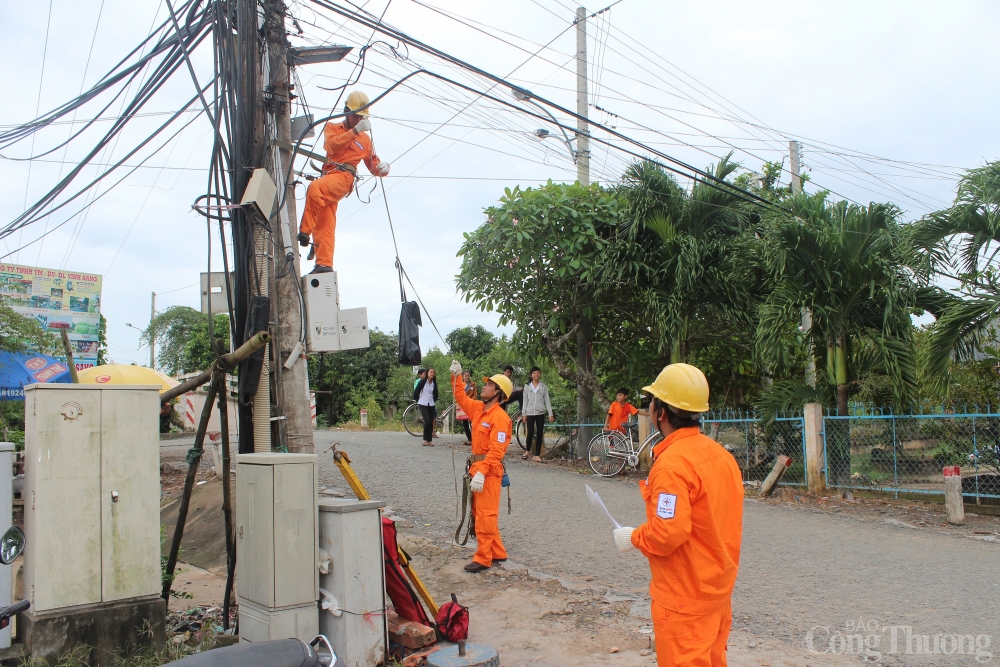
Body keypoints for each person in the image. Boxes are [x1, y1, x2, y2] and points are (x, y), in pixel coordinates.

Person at [612, 363, 743, 667]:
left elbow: (668, 533)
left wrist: (633, 537)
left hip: (684, 600)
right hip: (716, 593)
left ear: (660, 412)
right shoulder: (721, 456)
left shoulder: (672, 465)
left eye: (653, 401)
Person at [298, 90, 390, 273]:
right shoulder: (332, 128)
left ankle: (304, 232)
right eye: (357, 115)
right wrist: (354, 132)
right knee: (325, 221)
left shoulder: (366, 140)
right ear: (347, 111)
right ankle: (324, 264)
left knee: (315, 189)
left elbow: (373, 165)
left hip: (344, 178)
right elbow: (331, 147)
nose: (359, 120)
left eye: (362, 117)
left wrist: (383, 169)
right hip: (329, 176)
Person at [449, 359, 512, 573]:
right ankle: (497, 552)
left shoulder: (500, 418)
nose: (484, 386)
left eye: (489, 385)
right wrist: (457, 377)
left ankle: (484, 558)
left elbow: (497, 450)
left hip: (489, 471)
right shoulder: (478, 409)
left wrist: (483, 472)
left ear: (499, 394)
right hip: (478, 469)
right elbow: (460, 397)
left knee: (486, 515)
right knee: (480, 512)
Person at [520, 366, 554, 462]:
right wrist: (524, 413)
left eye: (538, 373)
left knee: (539, 433)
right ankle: (527, 451)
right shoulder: (527, 386)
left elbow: (547, 400)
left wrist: (550, 413)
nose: (536, 374)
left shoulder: (543, 386)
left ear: (540, 374)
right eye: (534, 373)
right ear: (531, 375)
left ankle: (537, 455)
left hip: (540, 413)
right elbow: (525, 401)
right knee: (530, 433)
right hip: (530, 412)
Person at [412, 367, 438, 446]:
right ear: (427, 373)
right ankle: (425, 439)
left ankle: (429, 440)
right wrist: (419, 400)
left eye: (433, 372)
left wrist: (433, 400)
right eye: (431, 372)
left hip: (431, 404)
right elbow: (416, 393)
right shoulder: (422, 382)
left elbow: (436, 394)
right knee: (427, 420)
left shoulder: (434, 383)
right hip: (423, 403)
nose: (432, 374)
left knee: (431, 422)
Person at [456, 370, 477, 446]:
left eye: (468, 376)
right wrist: (458, 404)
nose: (467, 377)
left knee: (473, 423)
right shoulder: (460, 385)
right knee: (465, 422)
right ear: (463, 377)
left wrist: (471, 401)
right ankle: (470, 439)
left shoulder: (473, 385)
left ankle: (475, 439)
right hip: (462, 405)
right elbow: (457, 395)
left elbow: (475, 394)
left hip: (470, 405)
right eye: (466, 376)